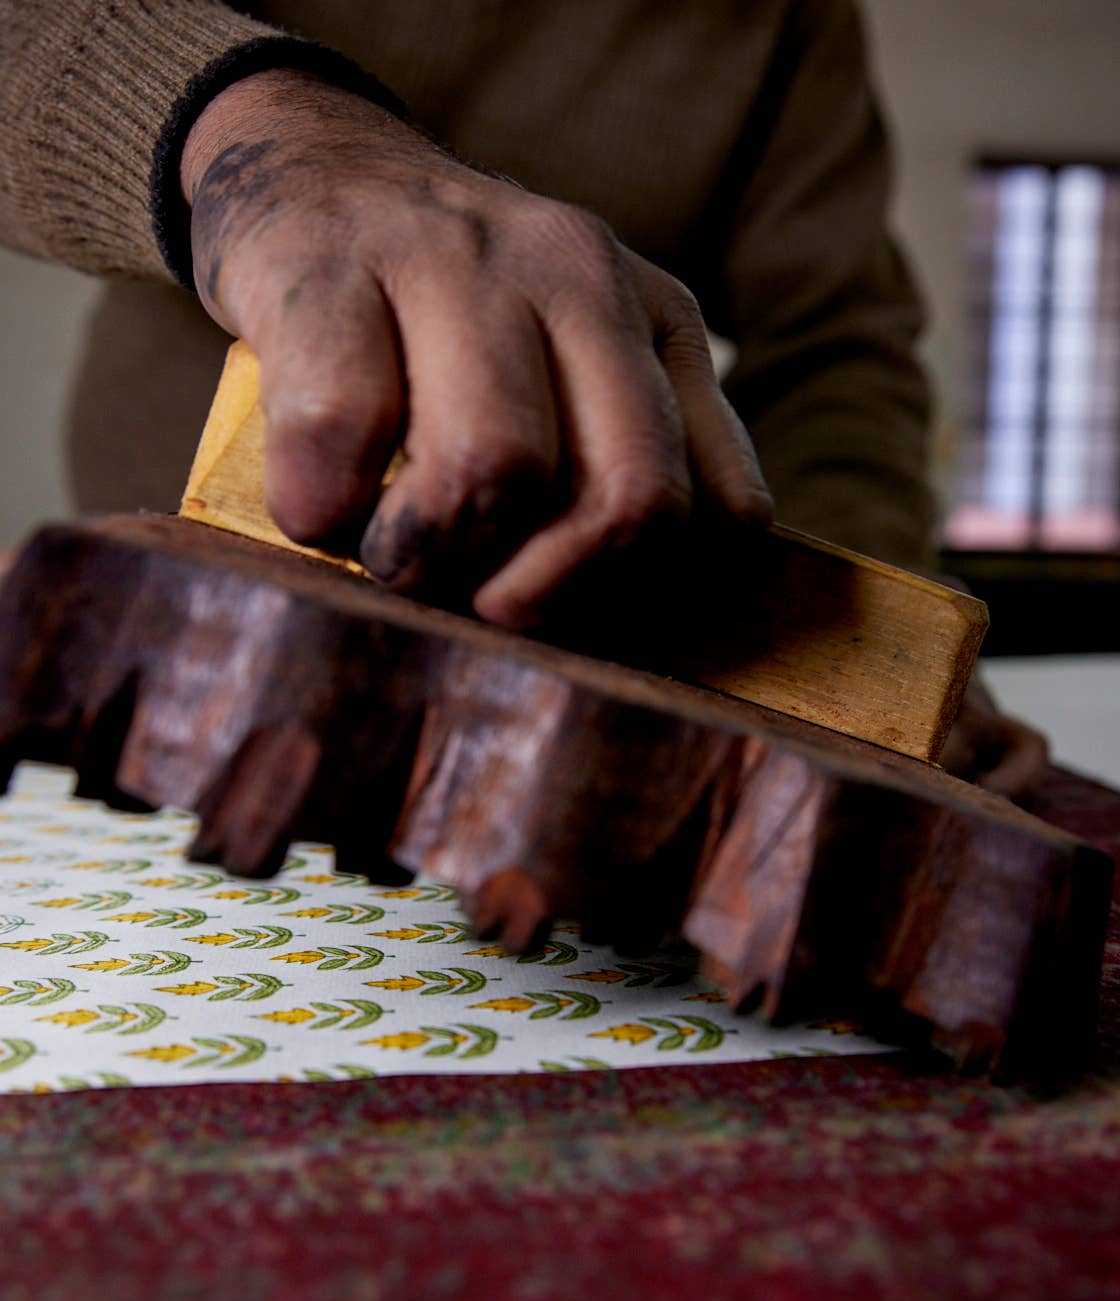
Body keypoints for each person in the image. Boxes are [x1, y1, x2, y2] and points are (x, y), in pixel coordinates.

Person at [0, 0, 1046, 793]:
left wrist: (832, 651)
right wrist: (270, 146)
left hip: (576, 666)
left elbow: (840, 347)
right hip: (177, 624)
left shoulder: (781, 23)